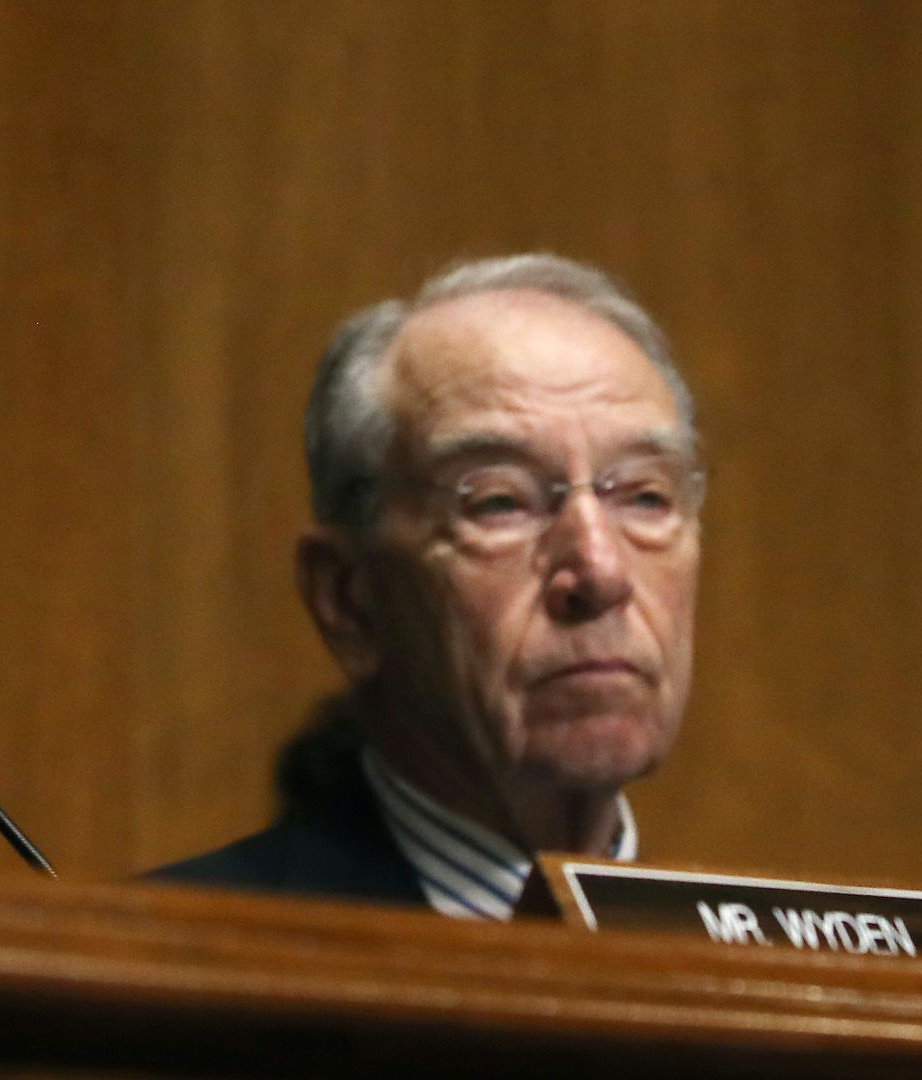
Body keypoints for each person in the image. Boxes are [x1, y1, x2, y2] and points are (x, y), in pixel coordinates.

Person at [158, 254, 703, 919]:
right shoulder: (160, 982)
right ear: (348, 600)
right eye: (500, 502)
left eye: (645, 497)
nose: (600, 571)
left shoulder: (781, 983)